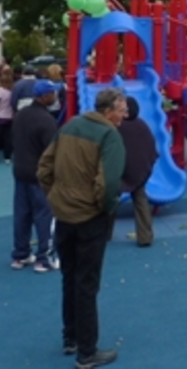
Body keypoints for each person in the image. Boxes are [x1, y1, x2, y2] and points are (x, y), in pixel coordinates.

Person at [37, 87, 127, 368]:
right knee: (87, 283)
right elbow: (109, 183)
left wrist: (56, 196)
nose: (124, 115)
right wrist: (104, 206)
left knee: (69, 276)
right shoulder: (109, 136)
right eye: (122, 110)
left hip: (64, 214)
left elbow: (44, 167)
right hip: (89, 217)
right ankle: (87, 352)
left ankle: (71, 337)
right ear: (109, 110)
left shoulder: (71, 125)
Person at [10, 80, 59, 272]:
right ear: (45, 96)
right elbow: (52, 151)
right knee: (44, 214)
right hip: (39, 174)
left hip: (21, 170)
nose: (54, 97)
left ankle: (20, 254)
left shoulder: (21, 115)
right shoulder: (46, 121)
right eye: (52, 93)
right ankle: (44, 257)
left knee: (22, 214)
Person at [113, 96, 158, 247]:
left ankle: (105, 232)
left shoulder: (117, 127)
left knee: (110, 200)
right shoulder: (142, 126)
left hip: (120, 170)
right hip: (139, 169)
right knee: (140, 200)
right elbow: (151, 148)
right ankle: (145, 236)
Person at [0, 68, 13, 163]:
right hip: (10, 116)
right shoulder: (12, 91)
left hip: (1, 116)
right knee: (8, 137)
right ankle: (7, 157)